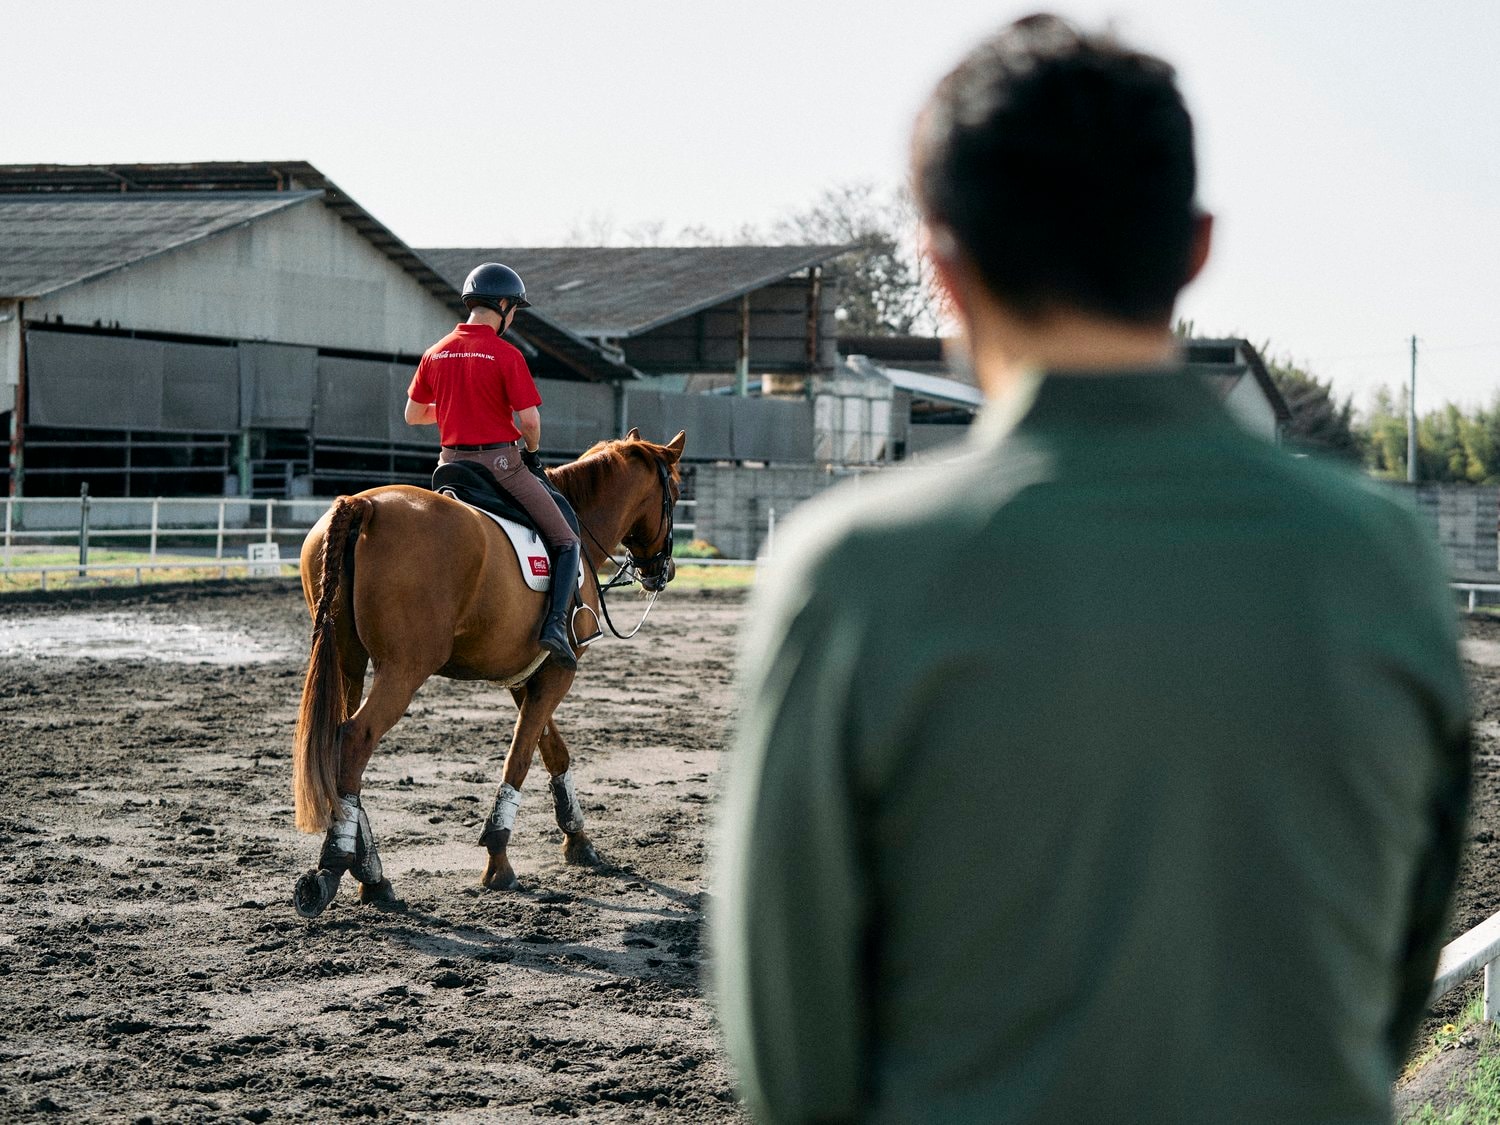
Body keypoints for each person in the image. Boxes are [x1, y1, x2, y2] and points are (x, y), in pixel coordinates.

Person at [711, 15, 1471, 1124]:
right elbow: (1394, 984)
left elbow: (794, 1047)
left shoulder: (855, 574)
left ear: (945, 268)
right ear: (1195, 248)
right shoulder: (1385, 556)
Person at [405, 262, 581, 670]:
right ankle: (555, 625)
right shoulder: (506, 353)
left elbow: (413, 414)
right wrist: (532, 455)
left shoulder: (436, 352)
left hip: (449, 468)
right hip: (501, 466)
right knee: (566, 538)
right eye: (514, 309)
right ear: (503, 305)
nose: (513, 316)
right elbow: (530, 422)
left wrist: (453, 408)